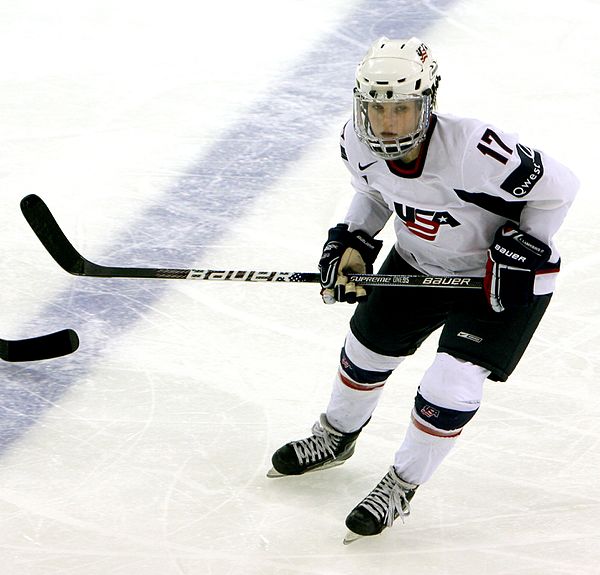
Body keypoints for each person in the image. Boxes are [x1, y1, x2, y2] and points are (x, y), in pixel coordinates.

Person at [267, 37, 579, 544]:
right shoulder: (355, 141)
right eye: (377, 109)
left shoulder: (476, 150)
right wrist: (355, 239)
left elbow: (560, 189)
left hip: (498, 278)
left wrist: (527, 247)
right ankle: (334, 438)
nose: (388, 124)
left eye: (403, 109)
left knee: (450, 382)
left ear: (428, 103)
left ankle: (401, 485)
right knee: (364, 350)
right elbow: (372, 192)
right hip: (417, 262)